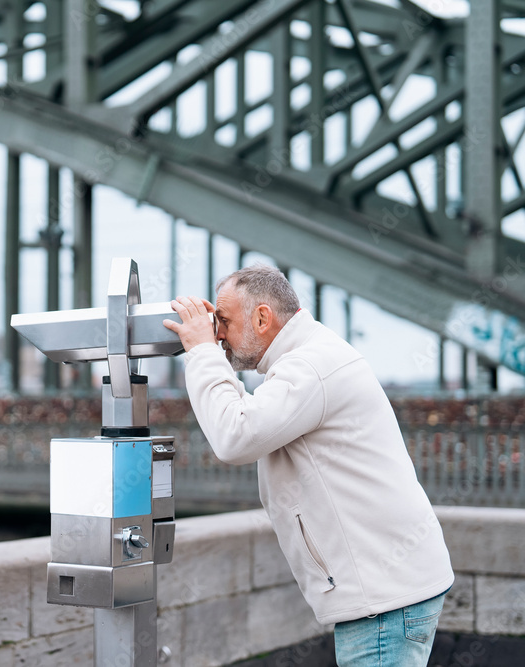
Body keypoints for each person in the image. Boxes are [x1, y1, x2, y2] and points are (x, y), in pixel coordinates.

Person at [163, 264, 453, 667]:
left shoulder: (309, 368)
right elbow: (252, 419)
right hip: (389, 590)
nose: (219, 334)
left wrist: (201, 353)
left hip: (384, 602)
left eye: (224, 321)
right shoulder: (310, 357)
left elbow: (234, 435)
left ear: (263, 318)